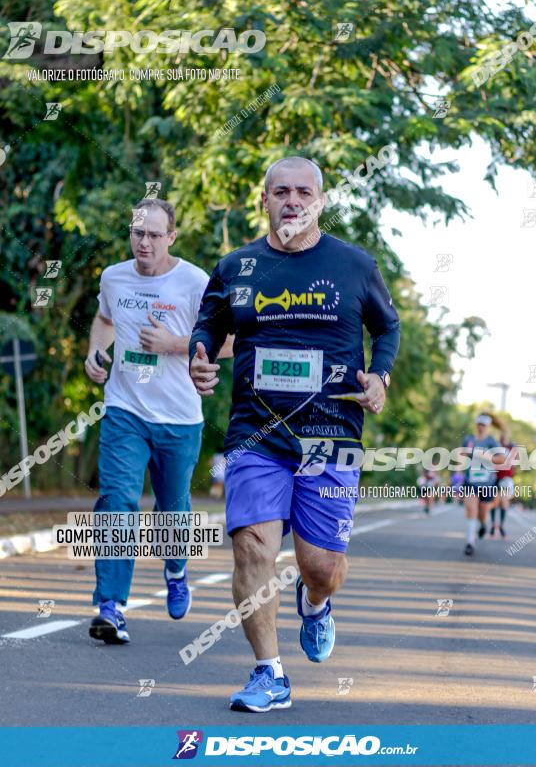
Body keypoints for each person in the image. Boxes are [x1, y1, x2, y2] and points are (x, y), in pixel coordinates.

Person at [189, 156, 400, 712]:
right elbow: (210, 322)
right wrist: (200, 353)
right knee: (252, 547)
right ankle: (269, 674)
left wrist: (379, 377)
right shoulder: (237, 267)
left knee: (320, 567)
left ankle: (316, 603)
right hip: (256, 434)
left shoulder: (354, 265)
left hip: (330, 434)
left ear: (321, 201)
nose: (292, 201)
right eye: (280, 191)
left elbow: (388, 326)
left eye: (304, 192)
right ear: (264, 200)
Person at [84, 197, 232, 643]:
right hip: (124, 410)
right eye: (136, 234)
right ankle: (110, 606)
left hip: (179, 417)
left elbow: (227, 342)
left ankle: (176, 567)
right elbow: (104, 319)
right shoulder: (113, 277)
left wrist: (173, 344)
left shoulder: (194, 282)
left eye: (153, 235)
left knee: (173, 510)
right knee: (116, 501)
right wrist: (96, 351)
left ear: (171, 237)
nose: (143, 242)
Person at [460, 412, 506, 557]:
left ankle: (483, 524)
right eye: (479, 424)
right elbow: (461, 456)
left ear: (488, 427)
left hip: (487, 483)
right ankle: (470, 543)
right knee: (470, 510)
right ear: (476, 425)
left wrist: (486, 457)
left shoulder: (491, 441)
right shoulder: (468, 439)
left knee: (482, 513)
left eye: (484, 425)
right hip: (470, 482)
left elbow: (502, 459)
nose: (481, 427)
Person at [489, 416, 516, 538]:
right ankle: (493, 526)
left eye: (506, 435)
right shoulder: (495, 447)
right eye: (502, 435)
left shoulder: (512, 448)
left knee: (504, 501)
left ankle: (501, 526)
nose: (503, 437)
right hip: (495, 477)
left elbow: (515, 461)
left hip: (506, 478)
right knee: (494, 503)